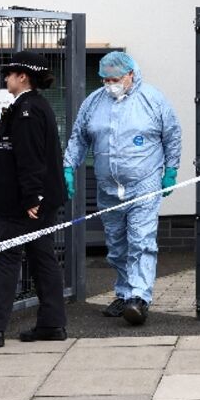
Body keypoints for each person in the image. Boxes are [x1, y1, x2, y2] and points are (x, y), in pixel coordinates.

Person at [0, 51, 68, 348]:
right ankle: (52, 324)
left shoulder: (29, 110)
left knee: (6, 258)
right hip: (33, 200)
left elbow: (31, 159)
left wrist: (32, 197)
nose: (5, 78)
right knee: (42, 258)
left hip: (23, 204)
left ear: (23, 76)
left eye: (9, 73)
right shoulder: (28, 107)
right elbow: (14, 149)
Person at [64, 51, 180, 326]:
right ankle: (125, 293)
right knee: (116, 244)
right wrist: (69, 166)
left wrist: (171, 170)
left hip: (144, 183)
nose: (110, 84)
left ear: (130, 74)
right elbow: (79, 137)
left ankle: (139, 298)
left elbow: (172, 135)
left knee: (140, 240)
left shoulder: (152, 100)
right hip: (108, 186)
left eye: (115, 78)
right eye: (105, 79)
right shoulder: (94, 102)